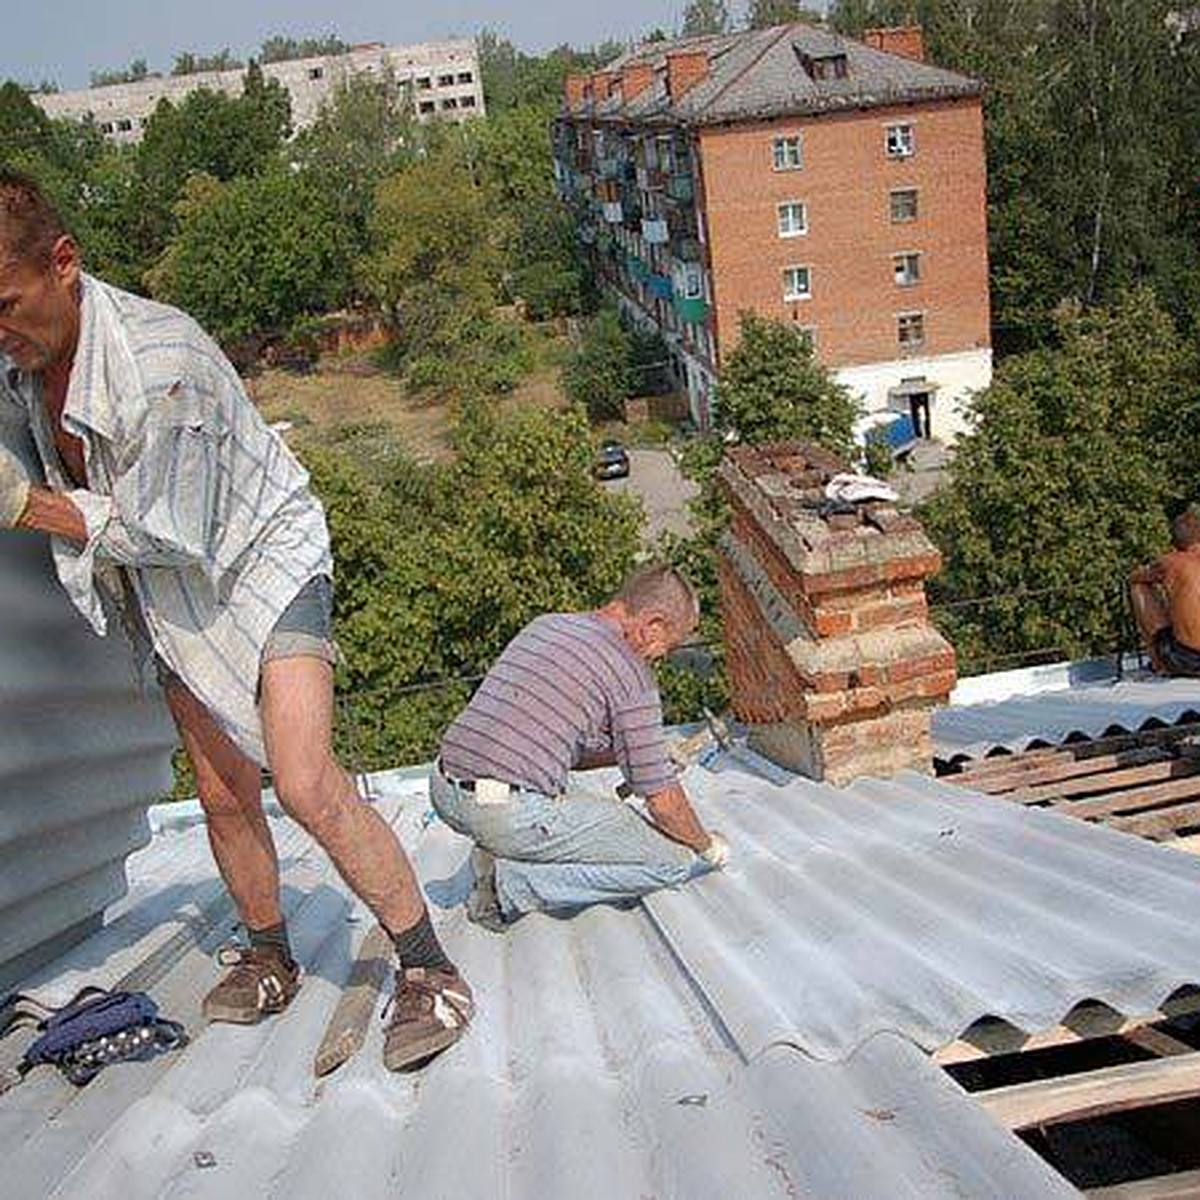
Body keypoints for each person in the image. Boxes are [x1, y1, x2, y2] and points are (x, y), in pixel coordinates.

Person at [0, 170, 471, 1071]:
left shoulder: (159, 366)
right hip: (170, 590)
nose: (0, 329)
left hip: (262, 559)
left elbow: (160, 530)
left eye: (6, 303)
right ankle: (270, 953)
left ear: (64, 264)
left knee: (301, 778)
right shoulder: (25, 356)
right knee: (219, 791)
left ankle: (429, 966)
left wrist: (24, 502)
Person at [430, 563, 730, 929]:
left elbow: (548, 748)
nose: (661, 656)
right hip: (504, 814)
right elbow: (664, 804)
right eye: (669, 645)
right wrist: (706, 846)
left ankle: (499, 847)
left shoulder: (546, 625)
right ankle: (507, 885)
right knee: (672, 861)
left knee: (582, 797)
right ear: (653, 626)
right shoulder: (632, 675)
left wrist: (634, 754)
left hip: (444, 788)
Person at [1129, 508, 1200, 678]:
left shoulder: (1170, 562)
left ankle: (1158, 664)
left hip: (1188, 660)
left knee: (1139, 586)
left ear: (1173, 541)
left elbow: (1132, 577)